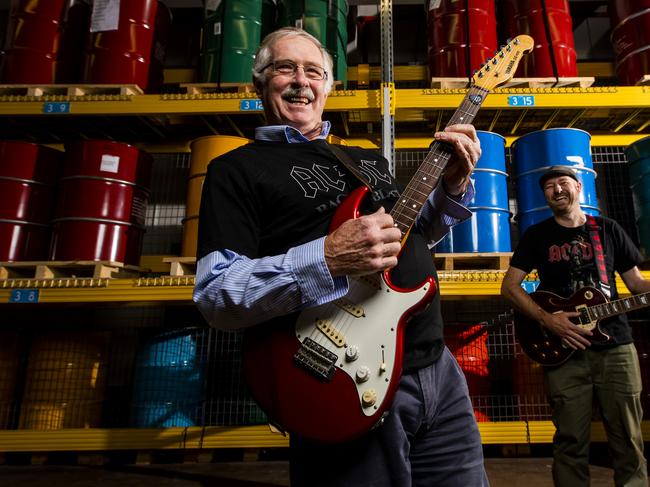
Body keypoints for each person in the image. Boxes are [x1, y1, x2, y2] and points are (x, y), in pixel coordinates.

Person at [193, 27, 488, 486]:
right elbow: (217, 295)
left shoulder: (365, 157)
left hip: (435, 365)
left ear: (329, 87)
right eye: (284, 68)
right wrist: (328, 258)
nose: (300, 81)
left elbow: (406, 239)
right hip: (340, 374)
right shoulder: (235, 170)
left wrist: (450, 185)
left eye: (314, 71)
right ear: (259, 82)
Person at [501, 165, 650, 486]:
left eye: (563, 183)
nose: (557, 190)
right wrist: (549, 320)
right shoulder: (537, 235)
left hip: (616, 347)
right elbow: (509, 287)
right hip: (563, 351)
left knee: (628, 438)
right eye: (549, 186)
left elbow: (636, 285)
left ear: (579, 187)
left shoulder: (607, 229)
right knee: (570, 442)